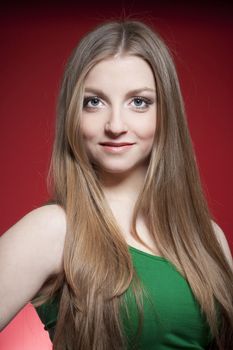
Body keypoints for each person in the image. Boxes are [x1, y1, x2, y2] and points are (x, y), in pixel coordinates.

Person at [0, 19, 232, 350]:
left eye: (139, 102)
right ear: (72, 114)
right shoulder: (54, 228)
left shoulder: (209, 239)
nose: (115, 125)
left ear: (165, 113)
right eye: (93, 102)